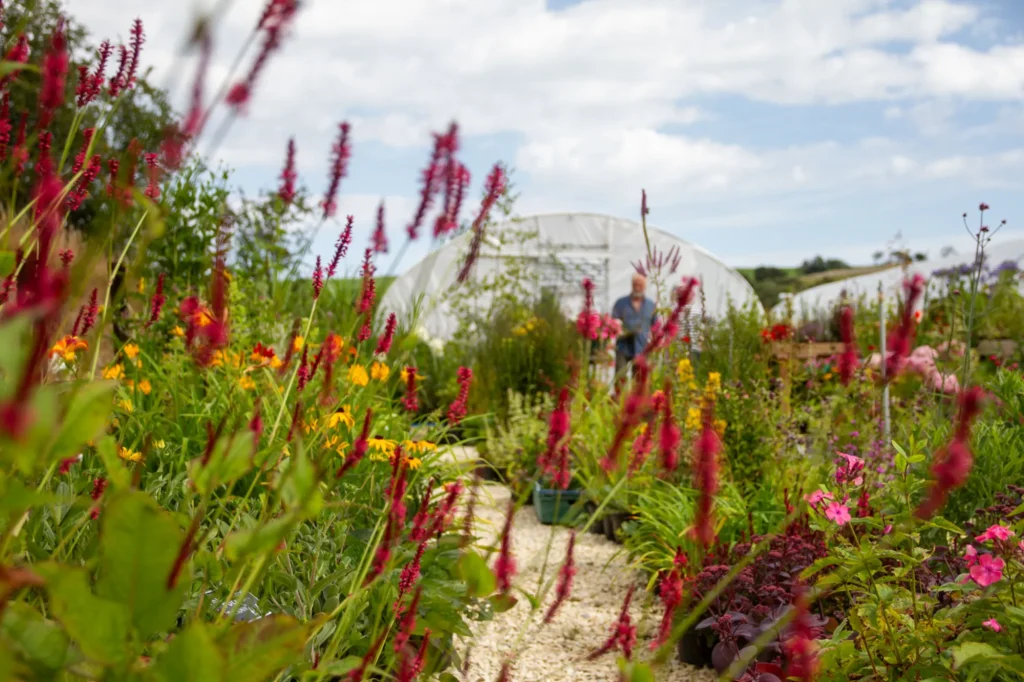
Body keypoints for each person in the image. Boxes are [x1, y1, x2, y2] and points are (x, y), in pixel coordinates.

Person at [612, 273, 657, 380]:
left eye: (640, 284)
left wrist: (655, 344)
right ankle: (619, 396)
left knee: (639, 381)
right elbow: (612, 323)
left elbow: (655, 326)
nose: (637, 286)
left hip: (642, 348)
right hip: (623, 346)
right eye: (635, 283)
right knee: (620, 378)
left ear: (644, 286)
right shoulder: (620, 303)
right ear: (632, 285)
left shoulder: (651, 305)